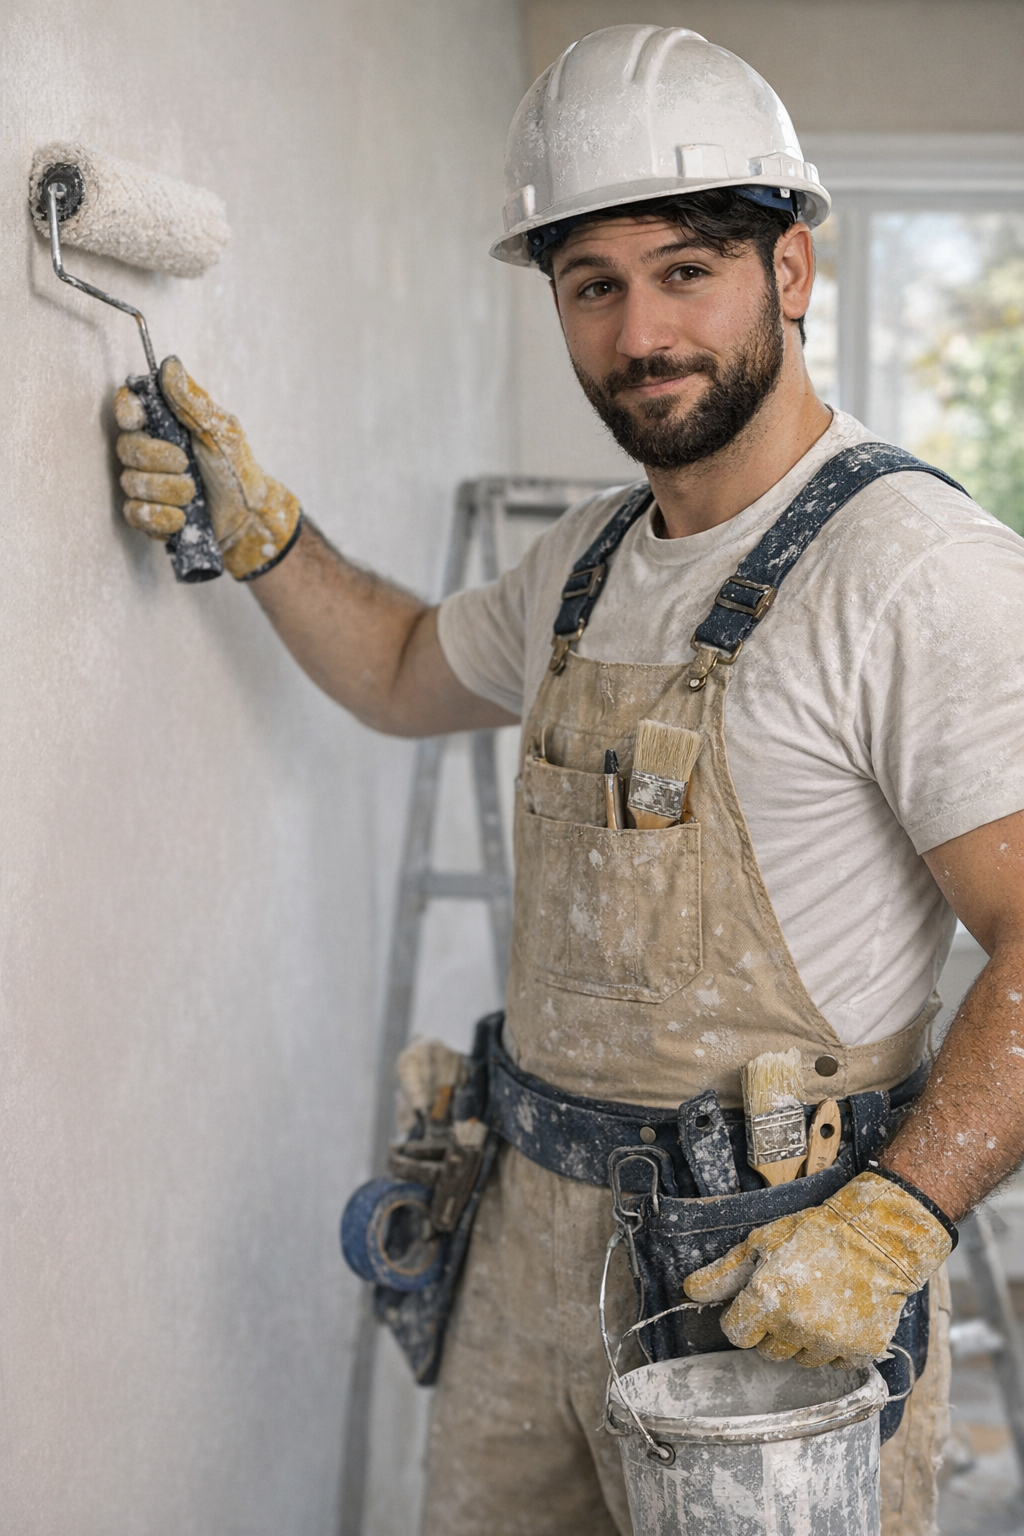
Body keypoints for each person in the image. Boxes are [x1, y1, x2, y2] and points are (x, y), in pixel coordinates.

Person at [113, 25, 1024, 1536]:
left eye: (686, 271)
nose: (639, 332)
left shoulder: (918, 574)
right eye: (591, 285)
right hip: (530, 1247)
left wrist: (898, 1218)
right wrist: (261, 530)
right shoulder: (588, 564)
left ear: (790, 272)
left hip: (767, 1274)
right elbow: (406, 667)